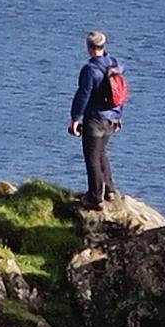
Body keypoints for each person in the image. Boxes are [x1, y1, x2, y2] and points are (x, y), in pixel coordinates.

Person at [68, 29, 125, 206]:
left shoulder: (90, 70)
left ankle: (95, 197)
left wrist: (75, 119)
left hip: (95, 119)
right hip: (113, 117)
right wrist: (118, 115)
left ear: (89, 47)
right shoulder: (115, 64)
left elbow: (83, 95)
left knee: (91, 156)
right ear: (103, 45)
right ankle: (110, 191)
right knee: (101, 153)